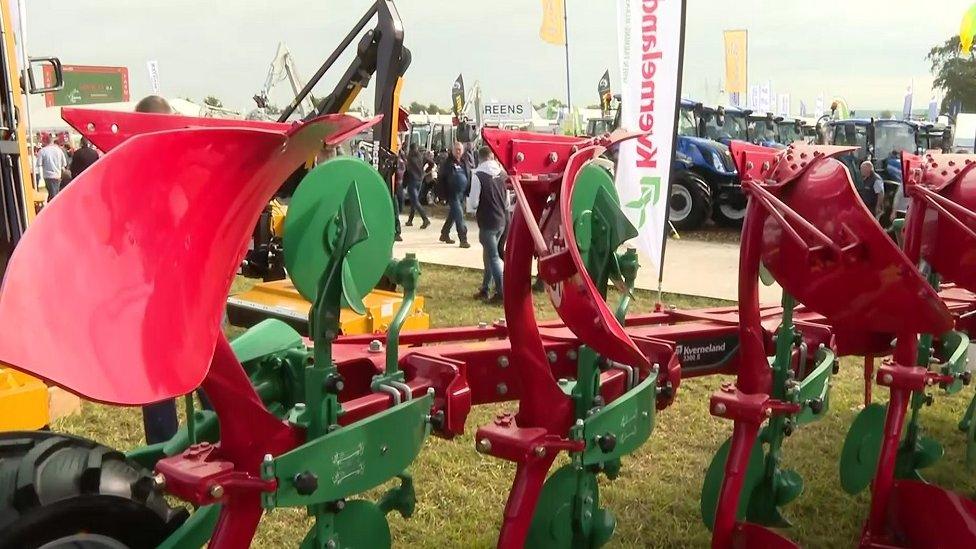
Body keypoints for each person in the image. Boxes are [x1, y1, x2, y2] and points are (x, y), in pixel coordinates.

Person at [471, 146, 507, 303]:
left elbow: (473, 203)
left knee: (492, 257)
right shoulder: (502, 174)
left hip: (487, 221)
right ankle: (485, 288)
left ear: (480, 157)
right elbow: (506, 201)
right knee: (488, 255)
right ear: (491, 157)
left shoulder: (478, 175)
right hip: (501, 220)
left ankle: (501, 292)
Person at [438, 141, 470, 248]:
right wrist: (442, 196)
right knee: (459, 216)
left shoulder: (464, 162)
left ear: (463, 151)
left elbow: (468, 175)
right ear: (452, 150)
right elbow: (441, 179)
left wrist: (467, 190)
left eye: (460, 149)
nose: (458, 151)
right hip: (453, 194)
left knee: (453, 214)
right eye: (456, 149)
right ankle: (463, 239)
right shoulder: (447, 163)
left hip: (462, 194)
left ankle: (444, 233)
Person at [404, 143, 430, 228]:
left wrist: (404, 183)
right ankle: (410, 220)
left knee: (415, 201)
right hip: (420, 180)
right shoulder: (421, 156)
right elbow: (432, 163)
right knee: (414, 200)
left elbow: (406, 171)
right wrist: (425, 172)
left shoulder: (409, 157)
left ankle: (425, 219)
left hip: (412, 181)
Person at [37, 133, 67, 201]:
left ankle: (54, 206)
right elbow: (64, 164)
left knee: (52, 194)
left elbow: (39, 164)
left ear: (44, 141)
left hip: (48, 176)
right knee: (55, 193)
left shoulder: (42, 151)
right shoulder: (59, 150)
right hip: (57, 175)